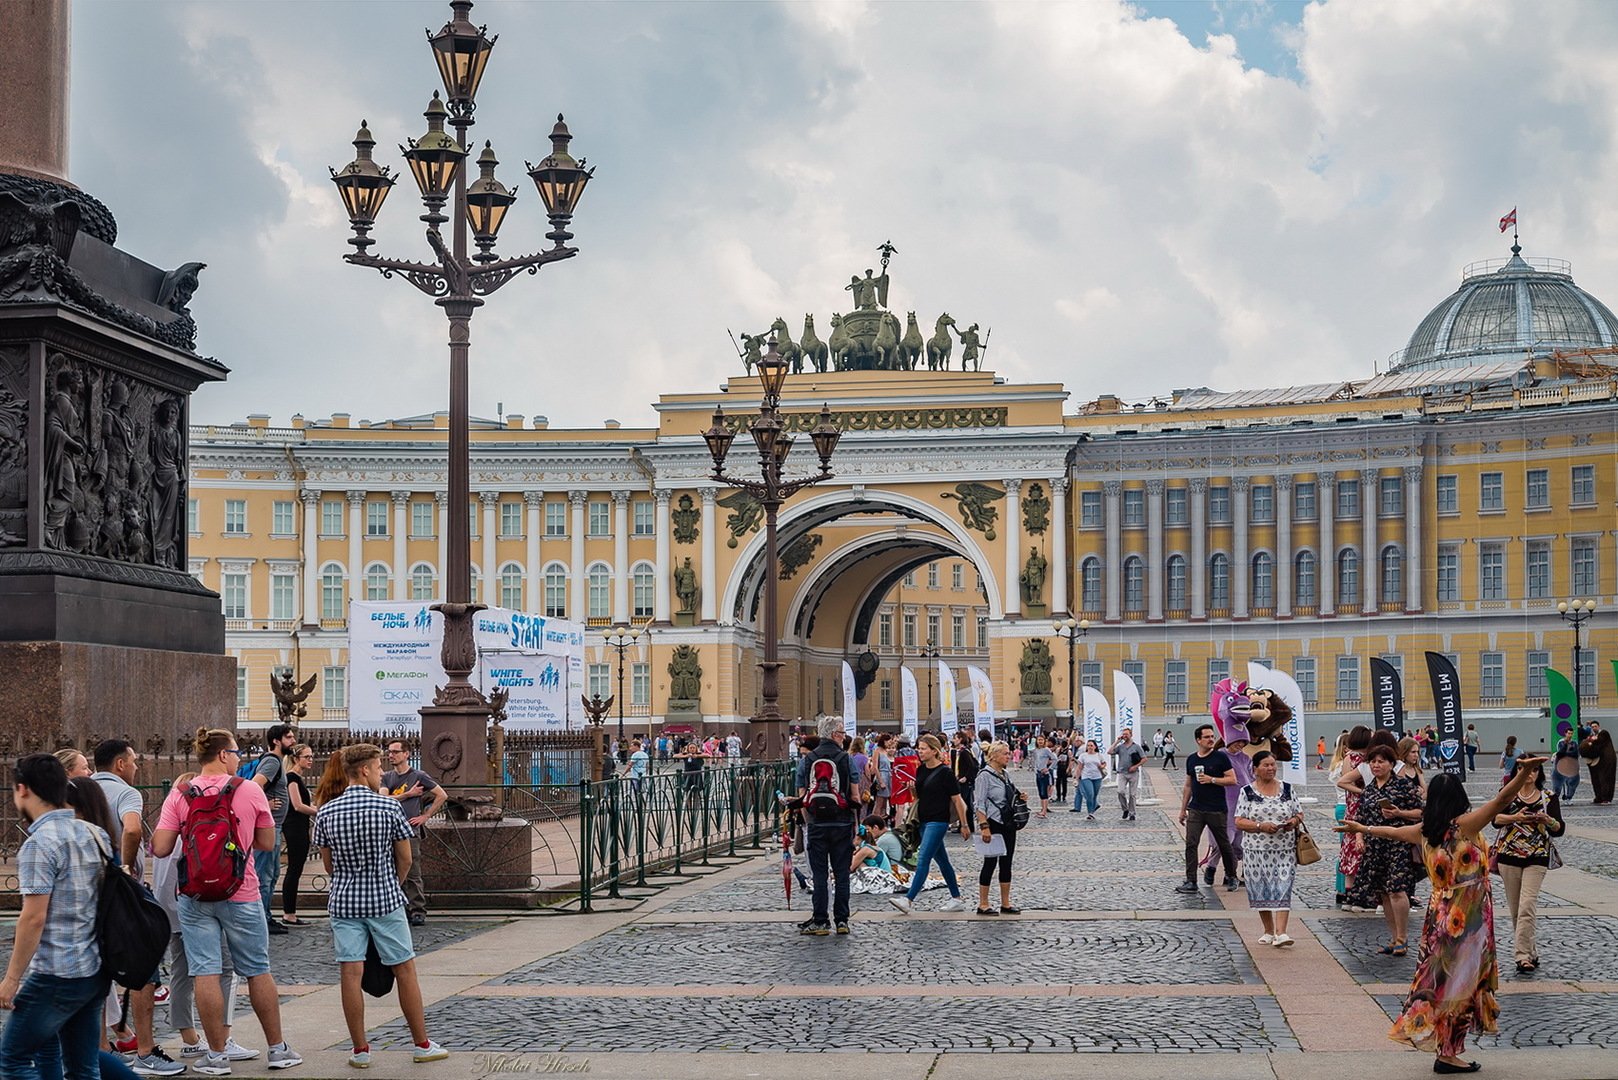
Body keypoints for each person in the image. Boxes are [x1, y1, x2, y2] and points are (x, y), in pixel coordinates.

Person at [1335, 754, 1547, 1074]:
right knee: (1460, 984)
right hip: (1467, 915)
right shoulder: (1465, 825)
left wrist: (1362, 827)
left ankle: (1445, 1047)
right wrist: (1527, 771)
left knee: (1442, 982)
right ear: (1459, 798)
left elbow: (1391, 832)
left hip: (1440, 913)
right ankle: (1448, 1053)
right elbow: (1503, 798)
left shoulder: (1425, 830)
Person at [151, 727, 302, 1076]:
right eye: (235, 752)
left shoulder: (181, 793)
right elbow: (266, 843)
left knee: (205, 971)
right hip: (241, 892)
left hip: (194, 894)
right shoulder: (248, 790)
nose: (239, 758)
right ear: (222, 754)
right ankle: (277, 1050)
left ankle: (216, 1056)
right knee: (256, 969)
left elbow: (159, 847)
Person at [314, 744, 449, 1068]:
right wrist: (392, 882)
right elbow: (404, 858)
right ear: (364, 771)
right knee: (404, 969)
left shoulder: (327, 812)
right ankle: (421, 1044)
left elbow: (329, 866)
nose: (380, 773)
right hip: (384, 899)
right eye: (377, 768)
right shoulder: (388, 808)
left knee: (350, 971)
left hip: (345, 902)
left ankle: (360, 1050)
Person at [0, 754, 111, 1080]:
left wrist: (11, 980)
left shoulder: (39, 845)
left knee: (14, 1060)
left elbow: (33, 918)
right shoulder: (94, 834)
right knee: (83, 1067)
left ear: (22, 790)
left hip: (56, 971)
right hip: (93, 968)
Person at [152, 773, 253, 1064]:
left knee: (183, 972)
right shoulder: (193, 826)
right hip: (192, 902)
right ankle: (221, 1039)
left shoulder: (165, 828)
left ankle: (189, 1036)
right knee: (223, 968)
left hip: (171, 908)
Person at [1491, 763, 1564, 974]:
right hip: (1509, 857)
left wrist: (1547, 819)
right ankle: (1530, 950)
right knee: (1516, 910)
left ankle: (1521, 956)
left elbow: (1559, 828)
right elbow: (1495, 820)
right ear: (1516, 773)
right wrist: (1516, 818)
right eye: (1524, 770)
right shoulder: (1507, 795)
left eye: (1533, 770)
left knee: (1527, 906)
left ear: (1539, 773)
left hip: (1537, 857)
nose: (1529, 774)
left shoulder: (1548, 797)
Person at [1352, 745, 1425, 956]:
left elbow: (1420, 812)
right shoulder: (1369, 788)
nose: (1376, 765)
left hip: (1398, 844)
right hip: (1375, 846)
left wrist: (1399, 812)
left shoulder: (1403, 785)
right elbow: (1361, 817)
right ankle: (1394, 939)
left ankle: (1403, 937)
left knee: (1397, 890)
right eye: (1373, 762)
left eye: (1381, 761)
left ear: (1391, 764)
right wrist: (1359, 837)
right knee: (1383, 893)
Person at [888, 734, 972, 915]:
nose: (919, 751)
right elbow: (920, 797)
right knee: (943, 861)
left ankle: (908, 899)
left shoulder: (945, 773)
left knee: (923, 858)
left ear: (934, 751)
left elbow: (957, 801)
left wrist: (964, 825)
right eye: (919, 748)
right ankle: (956, 898)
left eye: (923, 748)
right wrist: (913, 790)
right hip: (923, 821)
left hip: (938, 821)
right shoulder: (920, 770)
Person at [1234, 750, 1304, 946]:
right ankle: (1268, 930)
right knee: (1261, 890)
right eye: (1266, 765)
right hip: (1256, 851)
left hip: (1285, 849)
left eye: (1273, 764)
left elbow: (1299, 813)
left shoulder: (1288, 789)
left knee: (1283, 886)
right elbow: (1238, 821)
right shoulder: (1247, 792)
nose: (1271, 768)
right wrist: (1259, 826)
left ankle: (1282, 933)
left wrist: (1293, 821)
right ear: (1255, 769)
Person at [797, 717, 855, 936]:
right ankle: (842, 921)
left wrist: (809, 820)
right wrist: (852, 820)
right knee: (842, 875)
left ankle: (820, 922)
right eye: (841, 733)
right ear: (833, 734)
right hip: (842, 822)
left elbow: (803, 796)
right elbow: (855, 794)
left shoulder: (807, 759)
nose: (844, 737)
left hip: (817, 824)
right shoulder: (846, 759)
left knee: (820, 875)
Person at [382, 741, 447, 927]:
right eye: (390, 752)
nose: (391, 755)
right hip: (390, 829)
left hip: (410, 829)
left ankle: (417, 909)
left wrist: (425, 816)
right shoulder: (387, 777)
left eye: (395, 752)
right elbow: (383, 797)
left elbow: (442, 795)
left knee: (412, 871)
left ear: (406, 754)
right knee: (393, 870)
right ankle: (400, 907)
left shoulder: (418, 776)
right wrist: (407, 795)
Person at [1177, 724, 1239, 894]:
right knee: (1191, 843)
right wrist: (1183, 809)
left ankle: (1231, 876)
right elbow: (1188, 785)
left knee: (1224, 844)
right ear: (1198, 740)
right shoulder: (1191, 759)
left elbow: (1232, 779)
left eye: (1212, 736)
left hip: (1217, 809)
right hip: (1196, 808)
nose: (1211, 739)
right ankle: (1191, 881)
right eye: (1207, 737)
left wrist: (1212, 779)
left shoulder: (1220, 758)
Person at [250, 724, 298, 936]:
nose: (293, 741)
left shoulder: (276, 762)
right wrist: (265, 806)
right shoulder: (271, 761)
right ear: (276, 741)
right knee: (265, 876)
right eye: (288, 737)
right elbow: (254, 785)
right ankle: (263, 919)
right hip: (268, 827)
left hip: (274, 826)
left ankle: (266, 916)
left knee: (271, 874)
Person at [974, 741, 1022, 916]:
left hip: (1008, 822)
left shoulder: (1005, 774)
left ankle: (1005, 903)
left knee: (1007, 863)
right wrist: (984, 826)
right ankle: (983, 903)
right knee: (990, 863)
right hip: (992, 823)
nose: (1008, 756)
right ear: (993, 756)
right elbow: (979, 803)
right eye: (1005, 754)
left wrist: (1020, 796)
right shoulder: (984, 776)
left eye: (1008, 753)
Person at [1333, 725, 1373, 908]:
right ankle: (1357, 895)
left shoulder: (1352, 757)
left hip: (1352, 805)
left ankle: (1350, 894)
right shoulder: (1359, 758)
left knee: (1350, 848)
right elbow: (1345, 781)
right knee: (1360, 848)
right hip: (1360, 805)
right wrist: (1362, 792)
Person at [280, 745, 316, 926]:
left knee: (296, 869)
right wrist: (318, 811)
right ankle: (289, 913)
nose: (310, 759)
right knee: (294, 869)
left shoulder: (296, 778)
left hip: (299, 826)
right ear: (296, 758)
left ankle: (290, 912)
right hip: (294, 827)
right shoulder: (292, 778)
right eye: (306, 757)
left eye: (311, 756)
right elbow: (297, 805)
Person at [1109, 727, 1146, 821]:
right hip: (1122, 773)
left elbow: (1144, 759)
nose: (1125, 736)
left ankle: (1132, 813)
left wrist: (1136, 766)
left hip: (1133, 773)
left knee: (1132, 794)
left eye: (1126, 734)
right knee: (1120, 791)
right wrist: (1117, 741)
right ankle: (1125, 809)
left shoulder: (1136, 747)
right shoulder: (1120, 747)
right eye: (1124, 734)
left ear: (1131, 735)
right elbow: (1109, 752)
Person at [951, 732, 980, 829]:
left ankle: (965, 825)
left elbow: (972, 766)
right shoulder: (959, 751)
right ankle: (968, 825)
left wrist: (966, 777)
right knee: (967, 803)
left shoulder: (964, 752)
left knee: (964, 803)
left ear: (960, 739)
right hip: (960, 780)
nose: (953, 740)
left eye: (955, 738)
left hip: (964, 782)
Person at [1072, 739, 1106, 818]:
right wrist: (1076, 778)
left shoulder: (1099, 755)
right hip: (1086, 777)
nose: (1090, 747)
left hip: (1097, 777)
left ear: (1095, 747)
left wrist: (1102, 766)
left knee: (1094, 795)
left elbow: (1104, 763)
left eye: (1091, 745)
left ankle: (1093, 809)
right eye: (1088, 745)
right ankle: (1090, 812)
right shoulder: (1083, 756)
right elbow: (1079, 767)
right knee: (1090, 794)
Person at [1580, 726, 1614, 804]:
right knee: (1596, 780)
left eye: (1595, 726)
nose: (1594, 728)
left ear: (1598, 726)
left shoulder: (1603, 733)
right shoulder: (1592, 735)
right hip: (1594, 760)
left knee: (1604, 779)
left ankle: (1605, 798)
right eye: (1592, 726)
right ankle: (1599, 797)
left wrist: (1592, 741)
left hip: (1604, 761)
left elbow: (1599, 742)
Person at [1552, 731, 1581, 803]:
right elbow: (1560, 753)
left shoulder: (1574, 743)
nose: (1570, 735)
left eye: (1571, 733)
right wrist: (1566, 745)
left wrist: (1567, 753)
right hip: (1560, 766)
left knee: (1572, 783)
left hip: (1571, 766)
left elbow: (1576, 754)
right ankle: (1555, 799)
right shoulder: (1561, 742)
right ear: (1565, 734)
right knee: (1557, 784)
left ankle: (1569, 798)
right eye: (1568, 733)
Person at [1029, 736, 1054, 817]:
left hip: (1044, 774)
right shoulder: (1036, 750)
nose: (1040, 741)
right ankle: (1042, 809)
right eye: (1039, 740)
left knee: (1044, 792)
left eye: (1041, 740)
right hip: (1038, 773)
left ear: (1044, 741)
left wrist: (1048, 768)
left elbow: (1055, 759)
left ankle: (1044, 811)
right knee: (1040, 792)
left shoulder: (1046, 750)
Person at [1052, 735, 1072, 807]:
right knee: (1058, 782)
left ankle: (1064, 796)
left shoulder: (1069, 751)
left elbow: (1070, 760)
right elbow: (1056, 757)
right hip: (1059, 767)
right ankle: (1058, 796)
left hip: (1065, 768)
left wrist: (1069, 768)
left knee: (1064, 783)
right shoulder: (1058, 750)